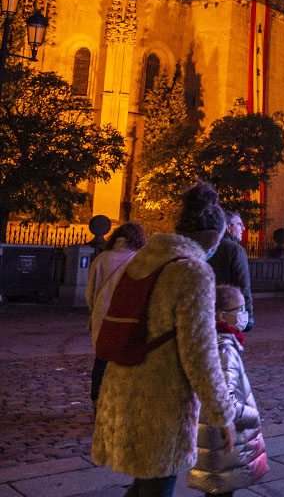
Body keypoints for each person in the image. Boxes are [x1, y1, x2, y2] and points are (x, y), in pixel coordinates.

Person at [92, 182, 236, 497]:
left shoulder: (143, 259)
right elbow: (200, 352)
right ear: (212, 238)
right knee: (158, 482)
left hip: (122, 385)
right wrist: (221, 414)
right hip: (160, 400)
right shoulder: (193, 272)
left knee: (145, 482)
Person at [188, 285, 268, 496]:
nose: (244, 314)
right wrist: (253, 416)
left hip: (214, 434)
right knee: (221, 490)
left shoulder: (211, 338)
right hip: (223, 436)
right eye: (239, 309)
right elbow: (226, 400)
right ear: (221, 315)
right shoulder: (225, 348)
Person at [86, 222, 148, 405]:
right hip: (128, 316)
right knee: (126, 360)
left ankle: (96, 399)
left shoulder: (101, 259)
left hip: (102, 314)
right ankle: (120, 401)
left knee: (102, 358)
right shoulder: (140, 260)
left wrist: (95, 308)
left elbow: (89, 292)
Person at [207, 212, 254, 331]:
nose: (243, 228)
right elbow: (243, 285)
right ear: (228, 227)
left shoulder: (208, 246)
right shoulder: (236, 250)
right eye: (239, 224)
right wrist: (249, 313)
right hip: (227, 309)